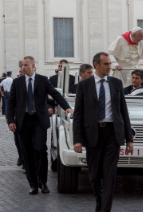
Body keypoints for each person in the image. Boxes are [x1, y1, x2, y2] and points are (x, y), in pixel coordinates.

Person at [73, 52, 133, 212]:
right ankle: (99, 200)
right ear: (96, 65)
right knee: (93, 175)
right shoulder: (84, 85)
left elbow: (123, 112)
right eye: (106, 64)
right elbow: (78, 113)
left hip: (113, 134)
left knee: (110, 174)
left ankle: (105, 209)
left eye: (109, 64)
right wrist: (77, 140)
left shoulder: (116, 83)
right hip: (92, 135)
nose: (109, 67)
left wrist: (129, 138)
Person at [7, 56, 73, 194]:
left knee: (40, 149)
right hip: (23, 121)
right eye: (22, 65)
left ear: (33, 65)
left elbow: (55, 94)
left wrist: (66, 107)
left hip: (39, 120)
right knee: (27, 153)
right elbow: (11, 102)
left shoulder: (43, 80)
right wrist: (10, 120)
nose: (23, 67)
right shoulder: (17, 82)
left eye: (25, 65)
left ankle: (43, 182)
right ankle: (33, 184)